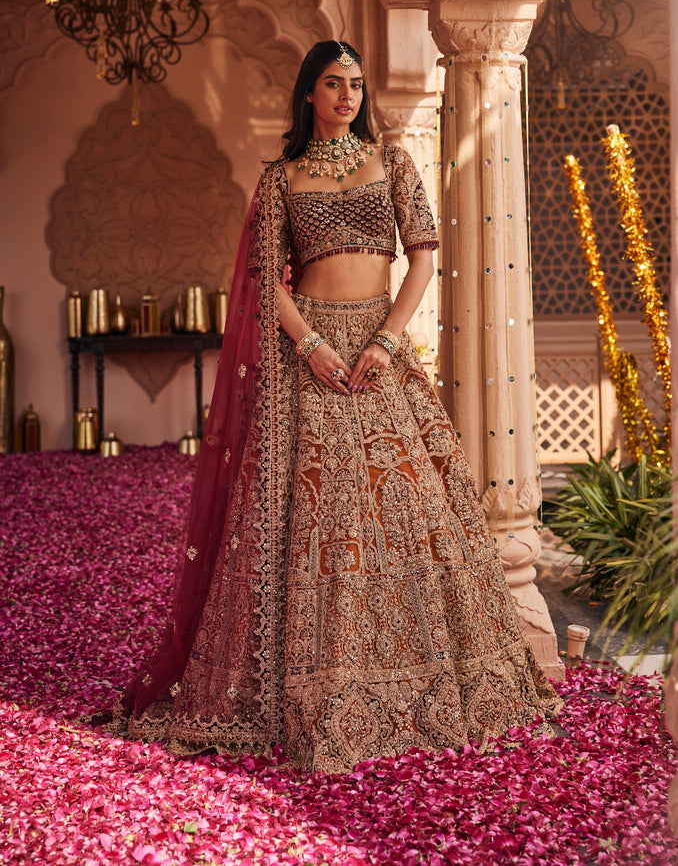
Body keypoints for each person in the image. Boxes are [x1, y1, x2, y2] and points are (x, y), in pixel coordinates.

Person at [110, 40, 561, 772]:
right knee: (317, 518)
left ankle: (424, 682)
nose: (348, 95)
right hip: (310, 358)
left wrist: (386, 339)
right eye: (333, 83)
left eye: (356, 83)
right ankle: (320, 685)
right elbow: (265, 279)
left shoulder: (394, 164)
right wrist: (311, 343)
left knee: (414, 510)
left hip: (380, 351)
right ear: (309, 94)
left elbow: (422, 253)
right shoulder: (283, 179)